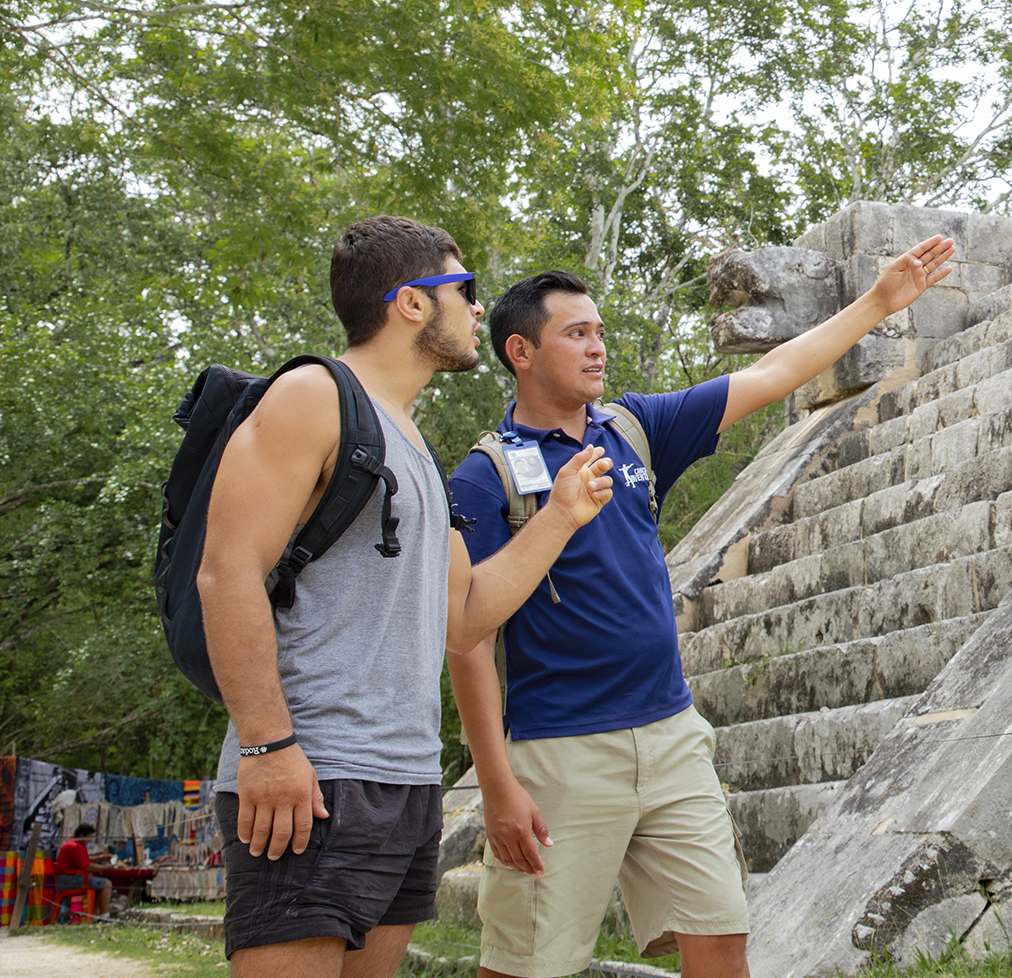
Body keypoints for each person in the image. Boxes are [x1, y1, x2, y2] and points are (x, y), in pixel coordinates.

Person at [449, 234, 958, 978]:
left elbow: (774, 371)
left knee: (721, 939)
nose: (596, 348)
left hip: (670, 735)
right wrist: (496, 785)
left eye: (598, 332)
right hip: (559, 752)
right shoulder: (484, 475)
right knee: (528, 965)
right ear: (521, 352)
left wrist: (877, 303)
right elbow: (466, 638)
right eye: (575, 334)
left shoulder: (632, 429)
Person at [197, 215, 622, 978]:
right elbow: (225, 573)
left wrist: (560, 517)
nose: (473, 309)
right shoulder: (311, 395)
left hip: (406, 780)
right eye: (463, 290)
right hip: (312, 774)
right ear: (412, 303)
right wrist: (267, 746)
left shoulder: (416, 443)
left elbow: (466, 616)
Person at [51, 822, 113, 919]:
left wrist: (101, 858)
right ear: (81, 835)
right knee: (106, 884)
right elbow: (87, 866)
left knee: (99, 886)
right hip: (71, 880)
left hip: (66, 878)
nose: (90, 841)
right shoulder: (75, 847)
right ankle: (105, 916)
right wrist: (107, 868)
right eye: (89, 838)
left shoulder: (72, 843)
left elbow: (83, 859)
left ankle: (97, 915)